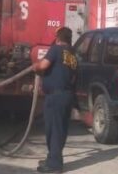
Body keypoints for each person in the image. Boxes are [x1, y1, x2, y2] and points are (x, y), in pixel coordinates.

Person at [33, 27, 77, 173]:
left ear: (58, 38)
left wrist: (36, 66)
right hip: (67, 96)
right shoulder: (73, 55)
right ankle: (53, 158)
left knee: (53, 130)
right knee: (61, 129)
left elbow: (44, 65)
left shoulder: (56, 49)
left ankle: (54, 165)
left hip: (55, 96)